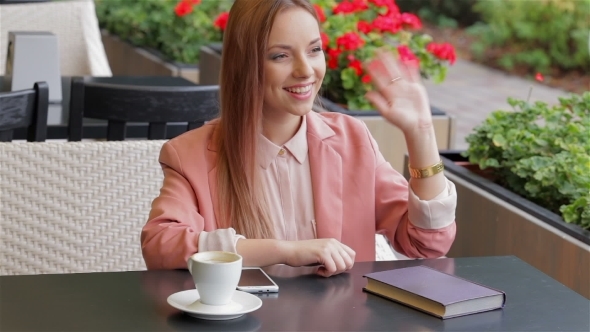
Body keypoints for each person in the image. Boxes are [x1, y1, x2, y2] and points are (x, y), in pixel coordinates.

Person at [141, 0, 457, 277]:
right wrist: (284, 250)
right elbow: (161, 245)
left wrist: (421, 135)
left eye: (314, 50)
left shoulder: (351, 139)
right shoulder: (189, 154)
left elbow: (425, 243)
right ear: (245, 65)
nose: (306, 70)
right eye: (280, 56)